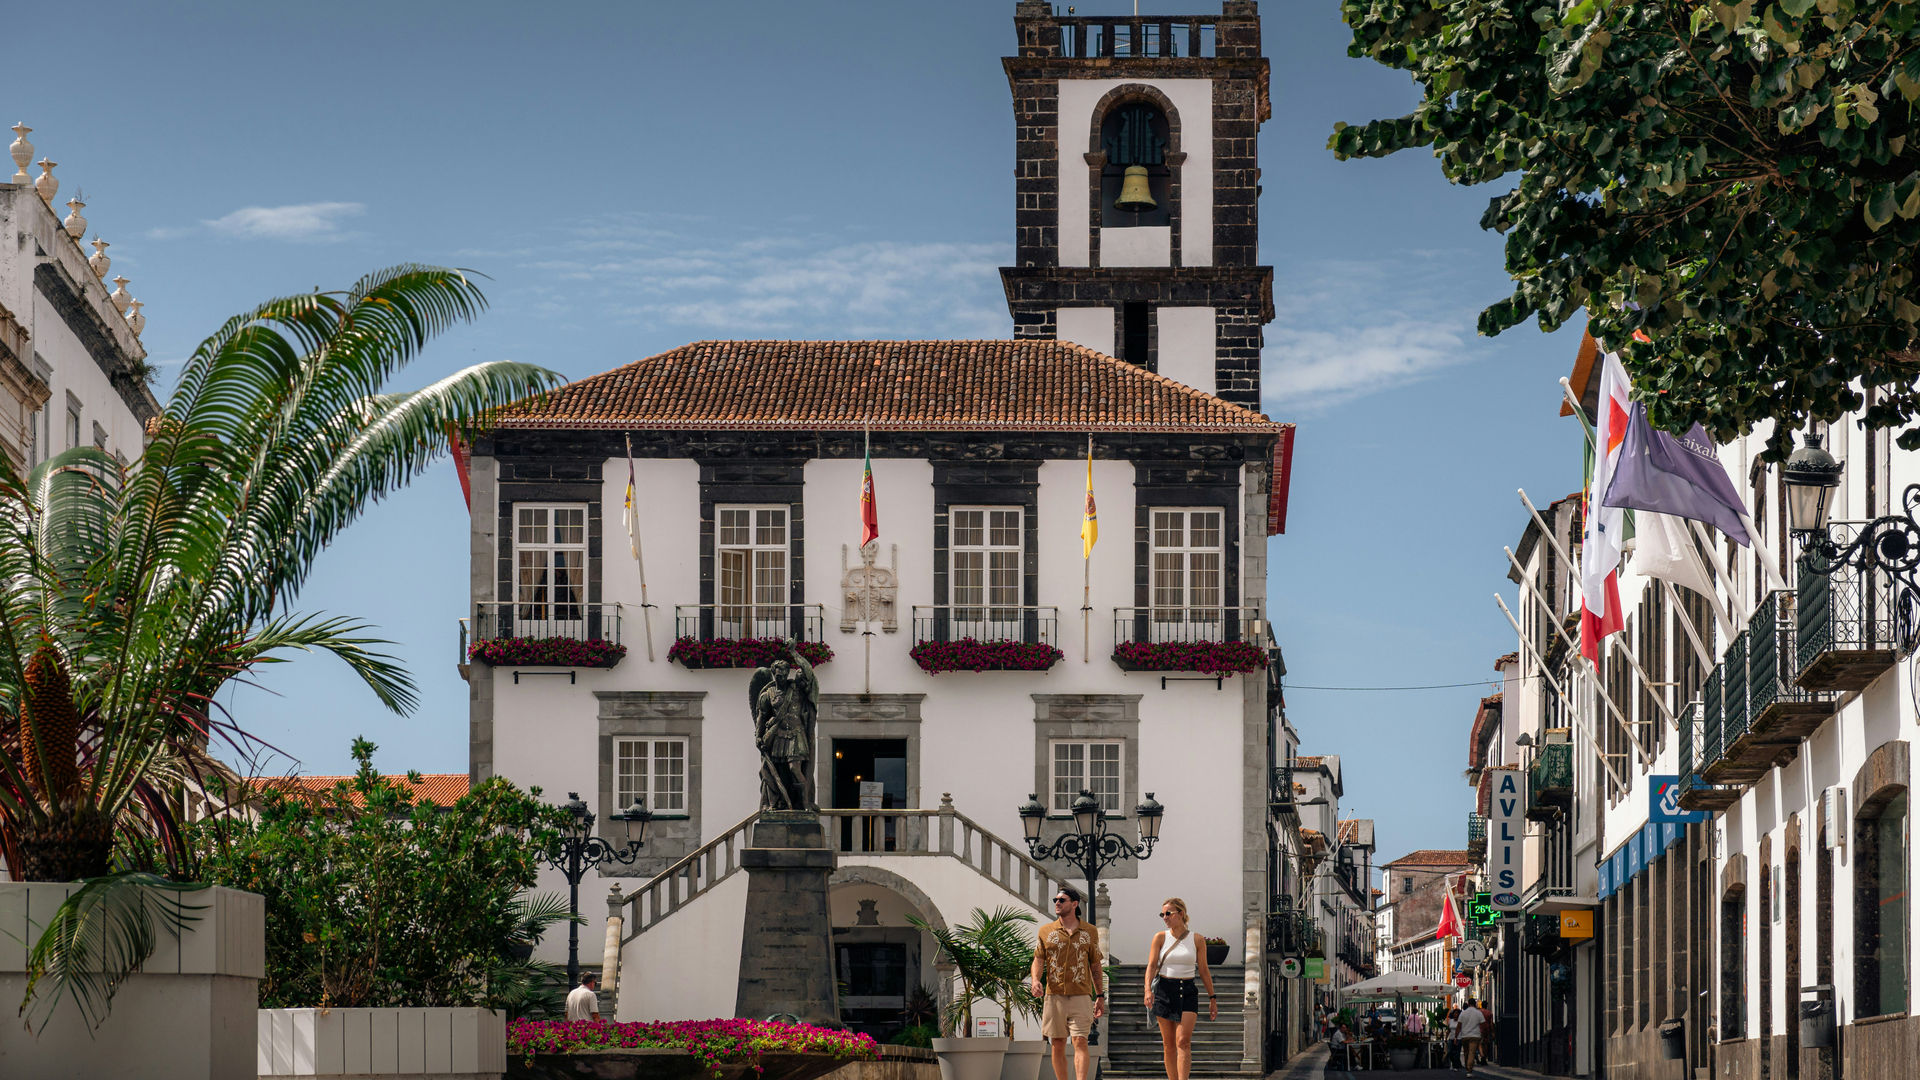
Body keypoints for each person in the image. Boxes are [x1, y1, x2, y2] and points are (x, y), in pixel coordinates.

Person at [1030, 885, 1105, 1080]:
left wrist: (1100, 995)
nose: (1057, 903)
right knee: (1058, 1043)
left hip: (1081, 994)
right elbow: (1038, 959)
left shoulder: (1090, 931)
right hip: (1054, 995)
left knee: (1080, 1041)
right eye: (1055, 900)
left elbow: (1095, 965)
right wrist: (1035, 980)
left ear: (1074, 904)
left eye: (1061, 900)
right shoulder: (1046, 931)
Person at [1144, 897, 1217, 1080]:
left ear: (1181, 913)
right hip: (1164, 990)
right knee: (1168, 1044)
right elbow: (1151, 966)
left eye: (1168, 913)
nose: (1165, 917)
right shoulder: (1160, 937)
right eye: (1162, 914)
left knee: (1183, 1041)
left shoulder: (1197, 939)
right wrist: (1147, 990)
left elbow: (1204, 970)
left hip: (1188, 990)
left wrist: (1212, 997)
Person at [1456, 998, 1490, 1077]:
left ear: (1468, 1004)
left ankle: (1467, 1066)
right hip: (1475, 1035)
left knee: (1466, 1052)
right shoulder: (1478, 1013)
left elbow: (1459, 1025)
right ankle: (1469, 1069)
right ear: (1475, 1004)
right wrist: (1483, 1033)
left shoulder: (1463, 1013)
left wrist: (1456, 1036)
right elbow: (1483, 1024)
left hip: (1465, 1035)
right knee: (1472, 1052)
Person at [1444, 1006, 1461, 1071]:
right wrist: (1446, 1038)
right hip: (1451, 1038)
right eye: (1454, 1013)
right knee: (1450, 1052)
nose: (1455, 1014)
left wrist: (1456, 1038)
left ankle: (1456, 1066)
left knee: (1457, 1053)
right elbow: (1448, 1030)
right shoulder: (1450, 1021)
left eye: (1457, 1013)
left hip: (1458, 1038)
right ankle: (1454, 1063)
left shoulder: (1460, 1021)